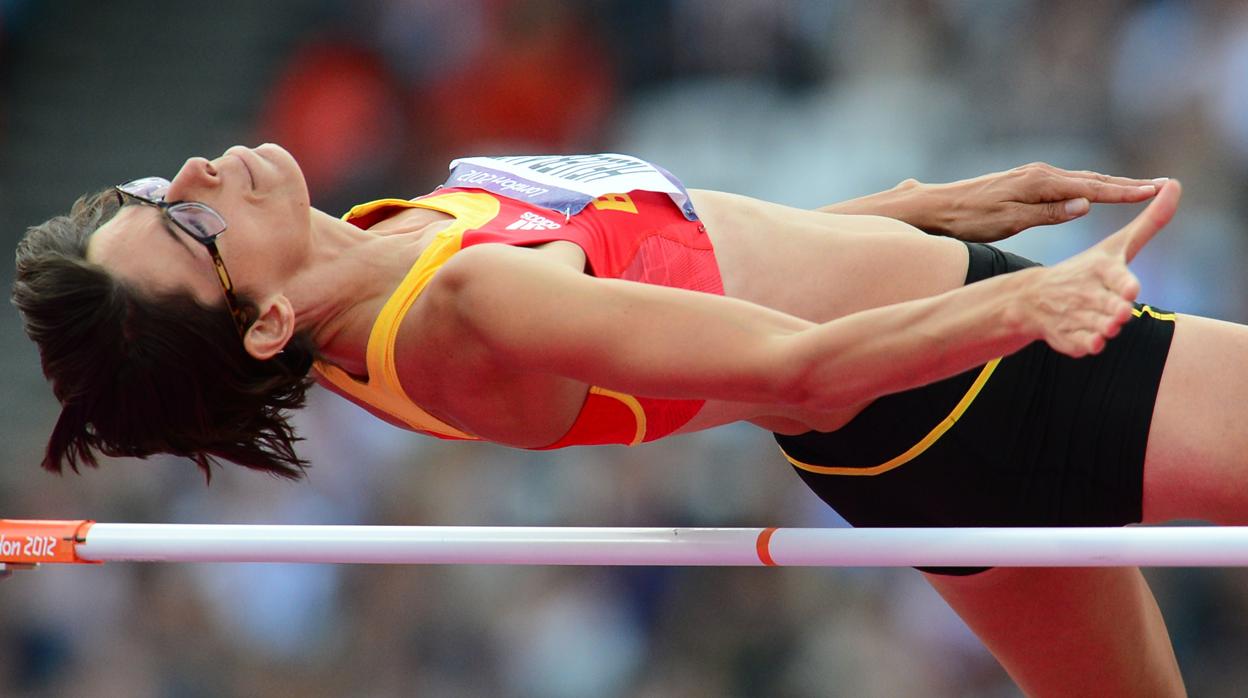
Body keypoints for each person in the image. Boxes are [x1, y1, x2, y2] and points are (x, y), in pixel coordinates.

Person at [13, 144, 1206, 696]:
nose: (198, 169)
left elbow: (686, 269)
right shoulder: (449, 313)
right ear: (264, 323)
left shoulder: (385, 257)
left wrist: (923, 208)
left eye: (150, 196)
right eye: (187, 227)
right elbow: (799, 370)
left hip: (920, 430)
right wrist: (1022, 302)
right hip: (980, 379)